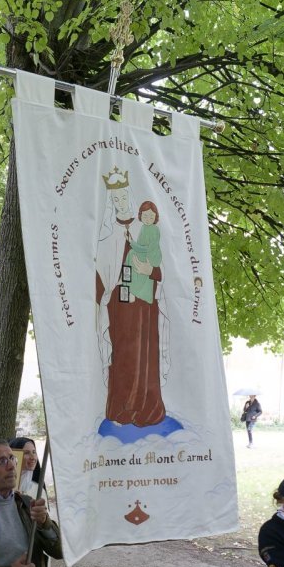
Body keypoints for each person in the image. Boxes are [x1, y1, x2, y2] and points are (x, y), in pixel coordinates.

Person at [95, 174, 167, 429]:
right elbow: (100, 277)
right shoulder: (106, 238)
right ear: (110, 202)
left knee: (144, 355)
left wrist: (151, 273)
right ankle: (121, 408)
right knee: (122, 356)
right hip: (118, 308)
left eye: (124, 196)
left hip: (144, 306)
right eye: (116, 198)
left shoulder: (145, 231)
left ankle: (145, 408)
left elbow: (160, 268)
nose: (121, 201)